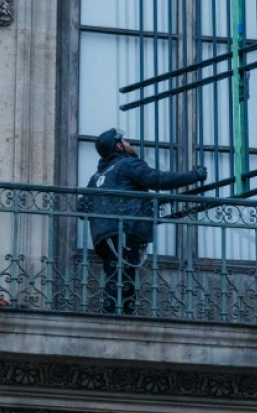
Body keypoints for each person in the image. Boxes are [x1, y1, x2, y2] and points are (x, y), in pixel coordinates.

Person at [85, 128, 208, 315]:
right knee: (123, 278)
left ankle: (116, 315)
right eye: (125, 141)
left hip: (103, 237)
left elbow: (82, 207)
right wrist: (194, 176)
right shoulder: (127, 164)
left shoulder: (96, 178)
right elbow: (157, 179)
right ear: (118, 146)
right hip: (125, 231)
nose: (129, 144)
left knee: (117, 275)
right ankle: (118, 318)